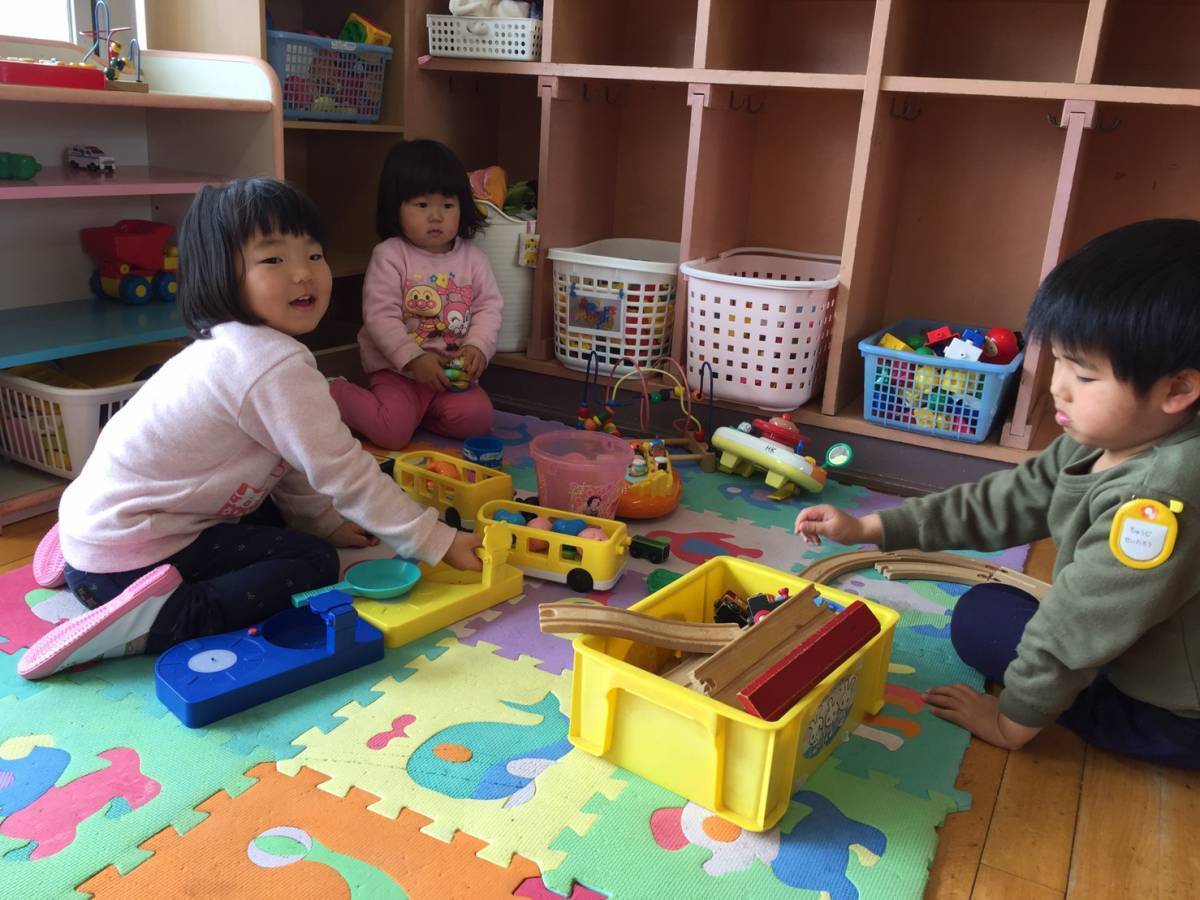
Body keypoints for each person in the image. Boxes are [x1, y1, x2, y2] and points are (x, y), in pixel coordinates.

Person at [19, 177, 482, 681]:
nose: (304, 274)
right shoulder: (271, 364)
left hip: (103, 523)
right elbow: (342, 471)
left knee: (281, 518)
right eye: (273, 259)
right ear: (222, 273)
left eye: (314, 254)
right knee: (312, 563)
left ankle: (80, 555)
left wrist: (321, 519)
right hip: (131, 559)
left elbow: (291, 460)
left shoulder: (230, 344)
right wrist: (434, 540)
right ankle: (149, 622)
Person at [794, 219, 1200, 768]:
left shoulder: (1157, 505)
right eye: (1059, 360)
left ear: (1178, 389)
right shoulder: (1104, 440)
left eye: (1084, 375)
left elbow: (1079, 625)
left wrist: (1011, 721)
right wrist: (874, 527)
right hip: (1138, 637)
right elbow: (1004, 502)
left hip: (1170, 715)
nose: (1057, 386)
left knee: (985, 623)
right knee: (996, 611)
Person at [330, 139, 502, 450]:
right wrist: (413, 359)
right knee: (392, 434)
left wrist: (477, 346)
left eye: (447, 205)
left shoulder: (474, 259)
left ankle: (418, 415)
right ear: (395, 208)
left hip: (450, 374)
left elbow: (488, 308)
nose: (436, 216)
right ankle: (336, 392)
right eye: (422, 205)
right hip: (400, 373)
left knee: (478, 420)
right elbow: (380, 316)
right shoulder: (390, 255)